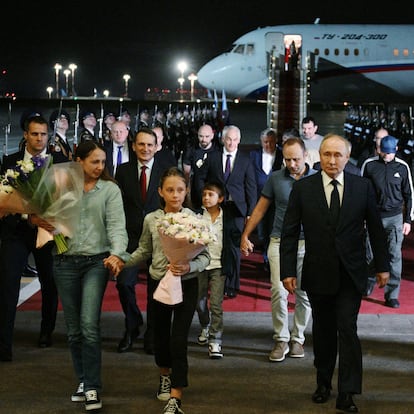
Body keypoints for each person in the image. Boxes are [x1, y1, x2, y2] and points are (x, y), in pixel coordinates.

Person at [280, 133, 390, 413]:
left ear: (346, 157)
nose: (331, 160)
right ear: (320, 156)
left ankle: (348, 392)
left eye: (337, 155)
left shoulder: (362, 187)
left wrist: (382, 266)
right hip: (318, 272)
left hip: (351, 274)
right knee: (325, 331)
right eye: (327, 154)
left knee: (347, 329)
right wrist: (287, 270)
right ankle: (323, 383)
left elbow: (376, 229)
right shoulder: (304, 189)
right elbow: (290, 232)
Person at [111, 166, 210, 414]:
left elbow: (206, 257)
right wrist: (123, 260)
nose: (175, 195)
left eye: (179, 190)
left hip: (186, 284)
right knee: (160, 337)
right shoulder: (151, 219)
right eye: (170, 190)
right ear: (160, 192)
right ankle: (164, 375)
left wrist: (188, 266)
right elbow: (144, 250)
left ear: (186, 191)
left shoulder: (195, 219)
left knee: (179, 339)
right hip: (159, 282)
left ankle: (176, 395)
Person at [52, 141, 129, 411]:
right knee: (73, 330)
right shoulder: (61, 185)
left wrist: (118, 254)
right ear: (79, 160)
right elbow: (45, 219)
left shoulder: (110, 190)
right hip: (63, 261)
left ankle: (94, 386)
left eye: (103, 162)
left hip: (97, 262)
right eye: (94, 161)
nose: (100, 167)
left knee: (88, 324)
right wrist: (36, 219)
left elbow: (118, 226)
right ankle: (83, 380)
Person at [241, 137, 314, 362]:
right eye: (288, 159)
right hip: (279, 241)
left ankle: (297, 338)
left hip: (308, 243)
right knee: (278, 290)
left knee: (304, 293)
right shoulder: (275, 178)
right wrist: (246, 234)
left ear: (306, 157)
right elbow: (261, 209)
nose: (292, 164)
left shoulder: (317, 178)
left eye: (296, 159)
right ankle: (281, 338)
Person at [0, 115, 59, 361]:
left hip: (47, 231)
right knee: (7, 283)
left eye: (43, 134)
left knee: (49, 282)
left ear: (48, 136)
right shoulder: (9, 161)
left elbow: (68, 198)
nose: (39, 138)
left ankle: (46, 331)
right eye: (34, 134)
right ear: (25, 134)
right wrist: (27, 217)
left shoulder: (59, 162)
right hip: (16, 232)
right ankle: (4, 344)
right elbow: (3, 198)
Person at [115, 127, 175, 354]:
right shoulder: (122, 171)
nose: (145, 149)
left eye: (150, 145)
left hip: (159, 238)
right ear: (133, 145)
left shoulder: (165, 171)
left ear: (157, 147)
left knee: (156, 288)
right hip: (130, 238)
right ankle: (132, 326)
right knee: (124, 283)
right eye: (141, 144)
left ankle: (153, 333)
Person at [196, 124, 257, 297]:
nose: (231, 142)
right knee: (215, 245)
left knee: (233, 249)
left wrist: (250, 213)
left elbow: (251, 187)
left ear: (239, 140)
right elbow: (200, 177)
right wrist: (205, 196)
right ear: (223, 139)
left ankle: (232, 286)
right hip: (216, 208)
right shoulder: (213, 157)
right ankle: (215, 282)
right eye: (228, 139)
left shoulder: (246, 160)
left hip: (237, 209)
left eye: (235, 139)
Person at [360, 135, 414, 308]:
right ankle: (366, 286)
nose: (387, 156)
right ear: (378, 149)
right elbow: (361, 193)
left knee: (394, 256)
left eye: (390, 153)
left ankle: (392, 294)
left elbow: (409, 194)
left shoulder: (403, 167)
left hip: (395, 217)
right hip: (373, 217)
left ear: (396, 150)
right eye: (384, 153)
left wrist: (408, 220)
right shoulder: (369, 165)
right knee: (370, 255)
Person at [196, 181, 240, 359]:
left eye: (211, 194)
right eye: (204, 194)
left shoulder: (227, 217)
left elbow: (235, 236)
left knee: (216, 303)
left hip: (219, 266)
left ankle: (215, 340)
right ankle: (205, 325)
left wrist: (241, 242)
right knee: (198, 302)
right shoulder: (197, 216)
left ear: (220, 198)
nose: (206, 198)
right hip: (199, 264)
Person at [249, 127, 282, 271]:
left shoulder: (282, 155)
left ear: (276, 142)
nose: (268, 145)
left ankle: (270, 260)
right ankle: (265, 254)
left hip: (277, 201)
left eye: (271, 142)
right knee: (262, 232)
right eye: (265, 142)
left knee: (274, 230)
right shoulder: (253, 155)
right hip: (259, 200)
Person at [182, 123, 220, 211]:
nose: (204, 139)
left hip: (214, 188)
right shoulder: (191, 150)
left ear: (212, 136)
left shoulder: (218, 150)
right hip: (196, 190)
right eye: (201, 136)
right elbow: (186, 174)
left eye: (207, 136)